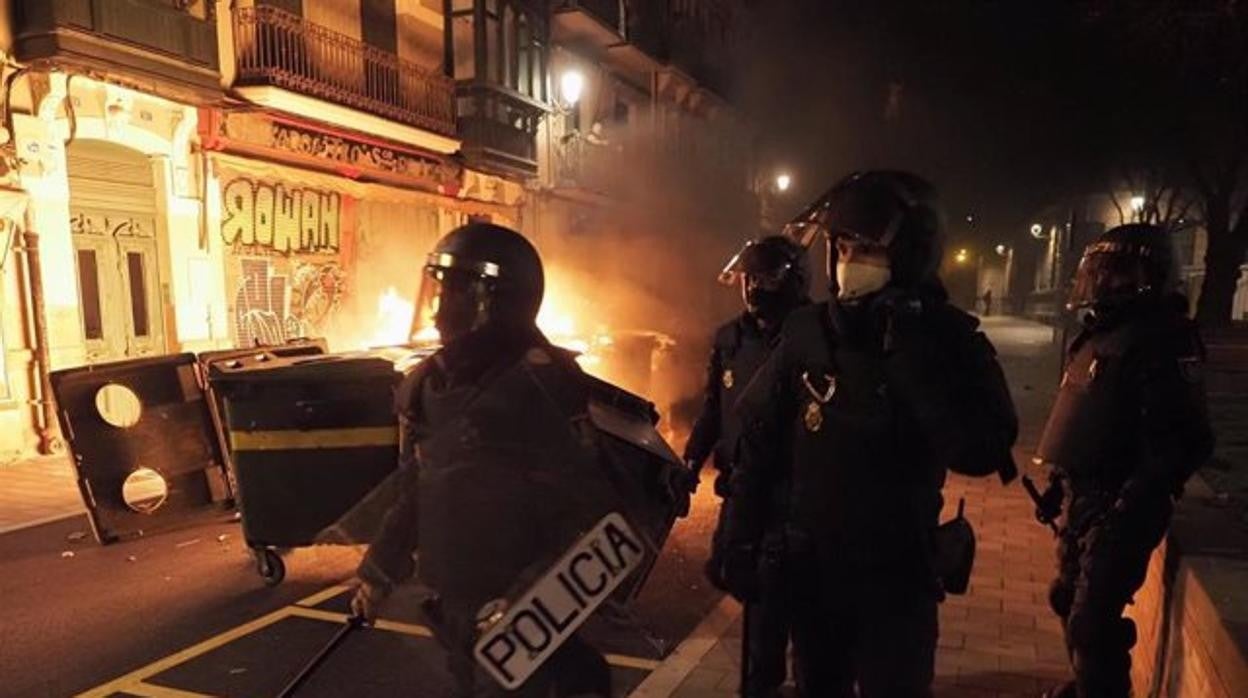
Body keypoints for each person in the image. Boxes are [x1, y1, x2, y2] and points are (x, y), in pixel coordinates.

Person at [717, 170, 1019, 697]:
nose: (849, 261)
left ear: (911, 254)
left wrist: (913, 361)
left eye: (866, 249)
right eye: (841, 246)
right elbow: (758, 442)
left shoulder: (949, 339)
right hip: (814, 577)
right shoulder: (807, 331)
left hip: (896, 580)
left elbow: (984, 448)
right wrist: (736, 539)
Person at [350, 223, 629, 697]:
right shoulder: (432, 385)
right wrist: (377, 573)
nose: (440, 313)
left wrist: (523, 604)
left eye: (458, 295)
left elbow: (583, 513)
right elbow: (417, 485)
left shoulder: (543, 387)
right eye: (439, 291)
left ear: (501, 302)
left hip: (518, 607)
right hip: (453, 601)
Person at [1034, 223, 1214, 698]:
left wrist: (1133, 501)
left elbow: (1187, 438)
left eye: (1118, 272)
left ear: (1148, 275)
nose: (1105, 283)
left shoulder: (1165, 338)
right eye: (1101, 272)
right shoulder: (1097, 336)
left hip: (1125, 503)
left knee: (1093, 622)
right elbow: (1084, 414)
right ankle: (1087, 684)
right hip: (1084, 496)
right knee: (1067, 599)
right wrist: (1057, 483)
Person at [684, 234, 811, 697]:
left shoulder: (816, 336)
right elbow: (714, 410)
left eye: (768, 277)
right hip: (744, 500)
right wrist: (691, 461)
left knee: (814, 642)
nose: (755, 288)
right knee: (760, 639)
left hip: (800, 503)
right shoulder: (730, 340)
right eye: (748, 278)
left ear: (794, 279)